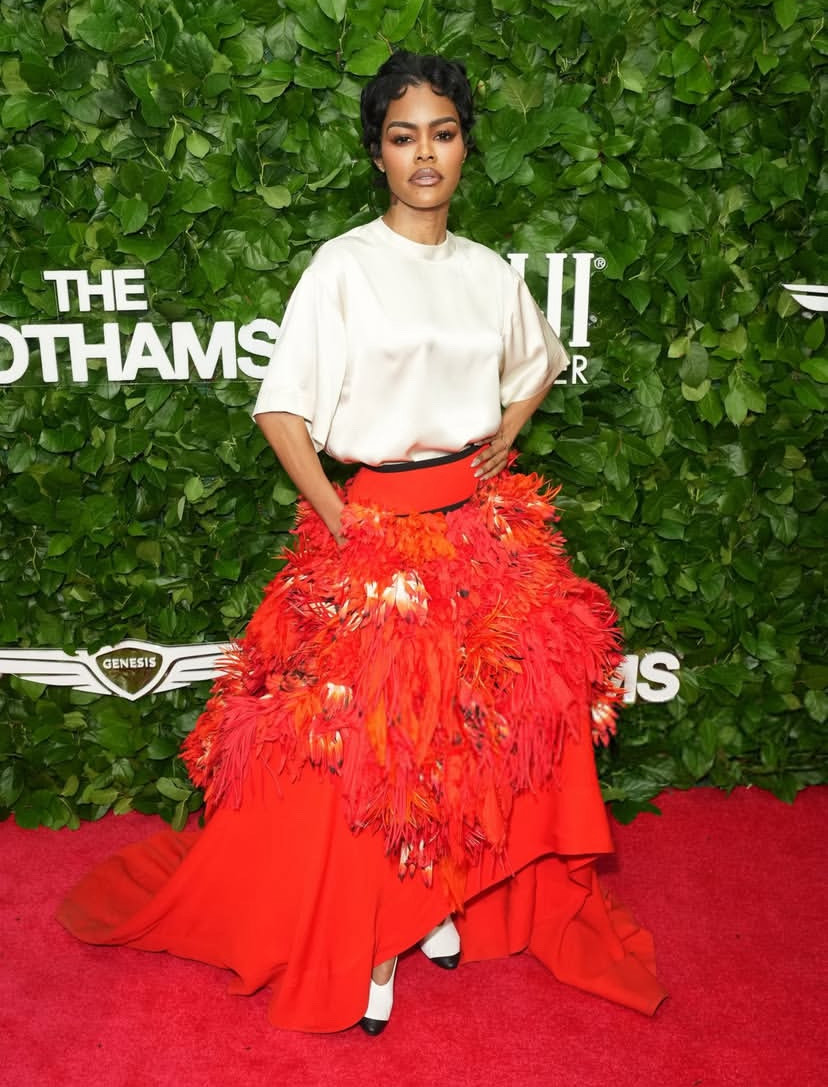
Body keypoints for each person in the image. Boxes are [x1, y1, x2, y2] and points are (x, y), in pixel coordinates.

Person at [57, 52, 666, 1033]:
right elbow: (281, 409)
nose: (425, 154)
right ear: (376, 154)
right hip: (378, 538)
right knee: (381, 753)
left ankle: (439, 894)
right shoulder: (343, 266)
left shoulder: (488, 273)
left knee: (483, 732)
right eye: (402, 136)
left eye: (443, 133)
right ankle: (374, 937)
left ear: (466, 144)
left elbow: (538, 361)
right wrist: (340, 517)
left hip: (481, 535)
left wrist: (503, 437)